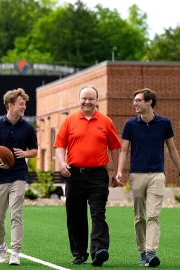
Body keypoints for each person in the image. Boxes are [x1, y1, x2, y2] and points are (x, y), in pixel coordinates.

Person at [114, 88, 180, 267]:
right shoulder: (130, 124)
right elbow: (124, 150)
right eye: (134, 100)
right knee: (139, 216)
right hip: (136, 174)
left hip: (157, 174)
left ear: (149, 102)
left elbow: (172, 149)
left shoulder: (164, 123)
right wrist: (118, 171)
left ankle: (151, 251)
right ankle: (141, 252)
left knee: (153, 215)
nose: (135, 103)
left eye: (138, 100)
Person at [53, 86, 121, 267]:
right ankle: (79, 253)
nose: (87, 102)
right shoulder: (69, 121)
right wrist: (61, 163)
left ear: (97, 100)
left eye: (91, 99)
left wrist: (116, 171)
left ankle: (99, 251)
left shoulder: (106, 121)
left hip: (98, 175)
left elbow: (115, 147)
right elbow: (60, 145)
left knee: (98, 213)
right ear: (79, 99)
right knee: (75, 216)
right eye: (84, 98)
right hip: (74, 174)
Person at [0, 88, 38, 266]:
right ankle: (1, 246)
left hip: (18, 176)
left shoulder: (28, 128)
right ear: (10, 105)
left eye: (25, 104)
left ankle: (15, 252)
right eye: (21, 104)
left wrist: (25, 153)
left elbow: (35, 151)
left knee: (16, 214)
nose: (24, 107)